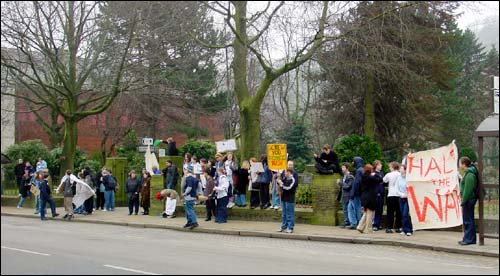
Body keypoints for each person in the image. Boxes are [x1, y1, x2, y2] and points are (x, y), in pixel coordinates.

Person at [357, 164, 382, 233]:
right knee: (370, 213)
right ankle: (368, 229)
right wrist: (375, 174)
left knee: (366, 213)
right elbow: (380, 179)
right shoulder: (371, 177)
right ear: (370, 170)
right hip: (371, 197)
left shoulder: (363, 177)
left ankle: (360, 226)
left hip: (364, 196)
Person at [458, 157, 478, 245]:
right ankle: (468, 238)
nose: (459, 165)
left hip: (468, 200)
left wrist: (463, 200)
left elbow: (468, 189)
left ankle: (469, 239)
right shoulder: (467, 173)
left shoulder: (470, 174)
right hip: (468, 199)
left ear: (463, 164)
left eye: (460, 163)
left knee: (468, 220)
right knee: (467, 219)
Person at [277, 168, 298, 233]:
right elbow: (281, 185)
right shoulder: (284, 178)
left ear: (289, 172)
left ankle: (290, 227)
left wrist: (281, 184)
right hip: (284, 198)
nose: (284, 173)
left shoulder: (292, 179)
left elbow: (288, 188)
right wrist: (278, 180)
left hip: (289, 199)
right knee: (284, 214)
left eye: (285, 172)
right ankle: (283, 227)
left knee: (289, 214)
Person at [383, 162, 402, 233]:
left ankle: (389, 227)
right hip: (399, 195)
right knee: (398, 212)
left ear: (393, 167)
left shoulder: (389, 174)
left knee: (390, 212)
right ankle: (398, 227)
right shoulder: (400, 174)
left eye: (390, 167)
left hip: (391, 194)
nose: (389, 168)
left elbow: (384, 180)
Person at [348, 157, 364, 229]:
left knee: (354, 208)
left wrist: (353, 193)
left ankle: (356, 223)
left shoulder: (358, 171)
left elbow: (357, 183)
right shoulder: (361, 170)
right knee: (354, 208)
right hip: (358, 193)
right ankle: (356, 223)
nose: (352, 163)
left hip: (356, 194)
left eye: (353, 161)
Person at [397, 164, 413, 236]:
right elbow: (396, 188)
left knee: (405, 214)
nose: (400, 169)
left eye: (401, 168)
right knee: (402, 214)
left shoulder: (409, 178)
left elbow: (411, 188)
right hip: (401, 198)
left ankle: (409, 230)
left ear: (405, 170)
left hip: (408, 199)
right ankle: (404, 229)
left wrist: (407, 195)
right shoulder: (398, 178)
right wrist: (402, 195)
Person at [182, 165, 199, 229]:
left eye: (185, 170)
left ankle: (194, 222)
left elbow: (189, 187)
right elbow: (198, 186)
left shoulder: (189, 178)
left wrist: (184, 193)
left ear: (187, 170)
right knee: (188, 209)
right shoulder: (194, 178)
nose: (184, 171)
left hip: (189, 196)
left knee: (190, 209)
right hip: (192, 196)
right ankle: (189, 221)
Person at [339, 162, 354, 228]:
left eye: (343, 167)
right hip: (344, 196)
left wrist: (340, 183)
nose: (342, 169)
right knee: (345, 210)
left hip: (348, 196)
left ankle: (350, 222)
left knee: (349, 210)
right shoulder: (344, 176)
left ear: (347, 168)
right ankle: (346, 222)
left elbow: (348, 187)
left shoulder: (350, 177)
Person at [372, 160, 385, 231]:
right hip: (376, 194)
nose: (381, 166)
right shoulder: (373, 173)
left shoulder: (381, 173)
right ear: (376, 165)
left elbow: (383, 181)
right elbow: (379, 180)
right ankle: (375, 224)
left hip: (382, 193)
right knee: (376, 209)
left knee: (380, 210)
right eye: (380, 165)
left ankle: (378, 223)